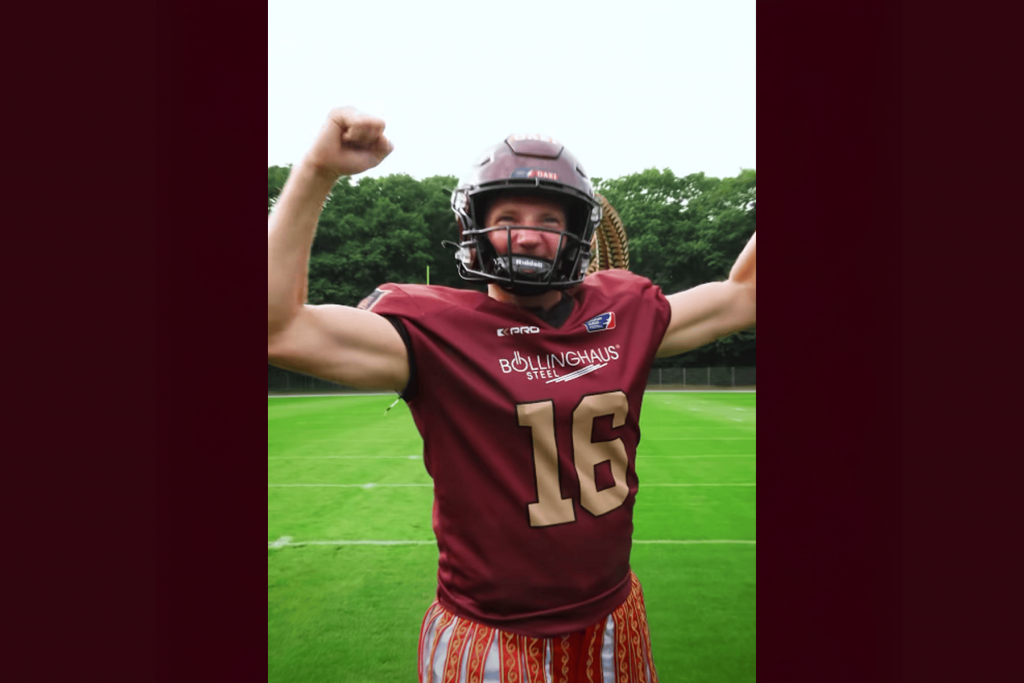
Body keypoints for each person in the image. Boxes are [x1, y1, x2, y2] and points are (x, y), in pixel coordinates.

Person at [268, 107, 756, 682]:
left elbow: (745, 295)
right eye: (508, 217)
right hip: (490, 634)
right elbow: (279, 329)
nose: (527, 234)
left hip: (612, 617)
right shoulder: (434, 330)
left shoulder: (623, 311)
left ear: (578, 233)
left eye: (549, 219)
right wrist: (317, 170)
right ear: (473, 229)